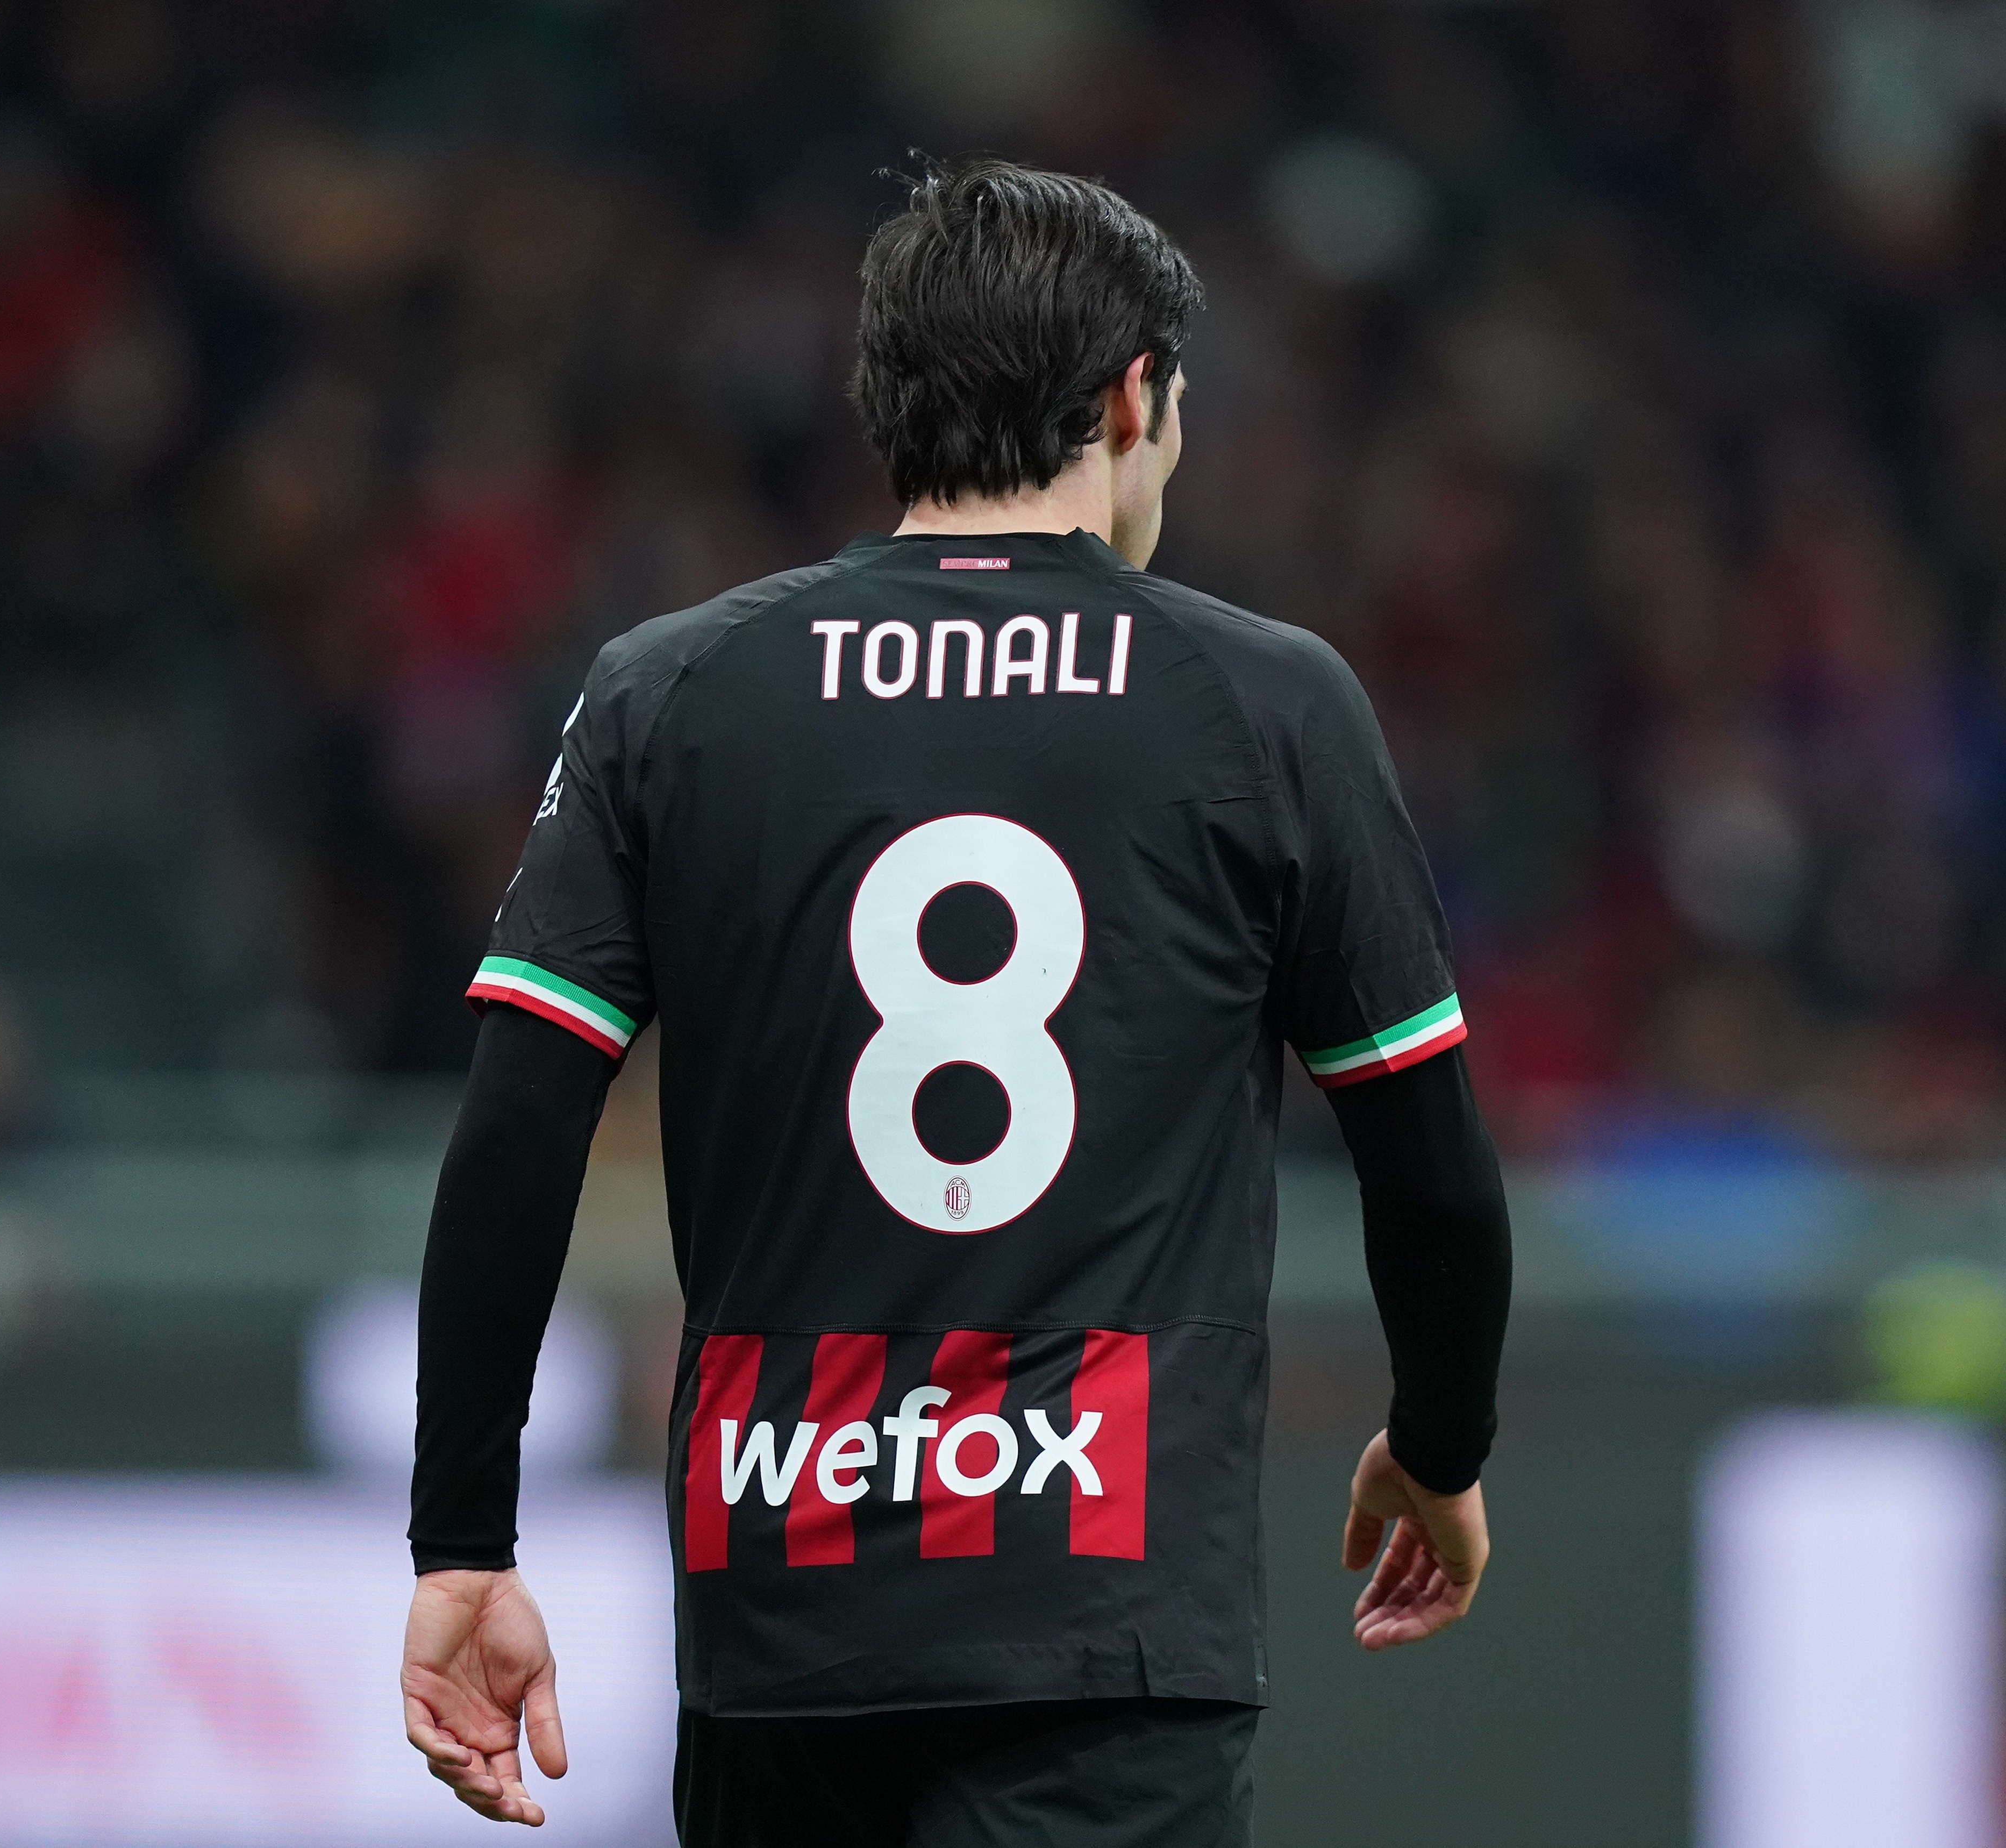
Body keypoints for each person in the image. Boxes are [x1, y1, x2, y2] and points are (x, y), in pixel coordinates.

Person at [400, 155, 1512, 1846]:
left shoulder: (670, 692)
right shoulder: (1268, 703)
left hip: (782, 1613)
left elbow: (516, 1138)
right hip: (1108, 1607)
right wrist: (1438, 1444)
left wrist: (463, 1546)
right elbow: (1428, 1168)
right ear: (1134, 398)